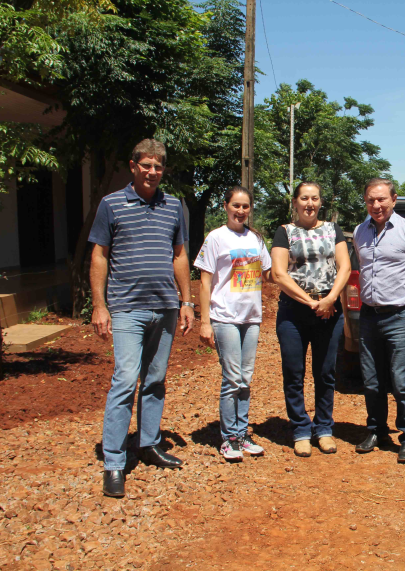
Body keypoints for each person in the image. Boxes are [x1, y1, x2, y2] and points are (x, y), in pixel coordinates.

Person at [89, 139, 194, 498]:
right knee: (125, 380)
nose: (152, 172)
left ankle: (148, 443)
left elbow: (180, 255)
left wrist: (186, 301)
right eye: (146, 165)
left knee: (155, 380)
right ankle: (114, 462)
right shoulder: (111, 204)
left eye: (158, 166)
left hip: (165, 307)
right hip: (126, 308)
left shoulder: (173, 206)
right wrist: (99, 305)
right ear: (133, 166)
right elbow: (99, 256)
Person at [353, 178, 405, 463]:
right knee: (372, 380)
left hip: (401, 316)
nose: (376, 206)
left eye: (381, 200)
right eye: (370, 200)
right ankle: (376, 430)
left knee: (402, 380)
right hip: (368, 316)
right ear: (365, 202)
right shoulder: (359, 232)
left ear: (394, 199)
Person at [270, 182, 351, 457]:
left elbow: (345, 266)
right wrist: (311, 301)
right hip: (294, 313)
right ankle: (301, 429)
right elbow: (278, 274)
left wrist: (330, 300)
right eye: (304, 198)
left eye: (314, 198)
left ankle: (324, 428)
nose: (310, 203)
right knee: (294, 372)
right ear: (295, 202)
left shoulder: (333, 230)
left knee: (325, 373)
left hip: (329, 311)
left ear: (320, 202)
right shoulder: (284, 232)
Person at [195, 186, 271, 462]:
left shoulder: (256, 238)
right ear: (225, 206)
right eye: (235, 205)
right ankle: (229, 438)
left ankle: (242, 432)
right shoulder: (215, 238)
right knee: (232, 378)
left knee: (246, 379)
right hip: (224, 316)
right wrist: (204, 321)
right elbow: (204, 282)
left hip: (251, 317)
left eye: (246, 206)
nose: (240, 210)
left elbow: (269, 274)